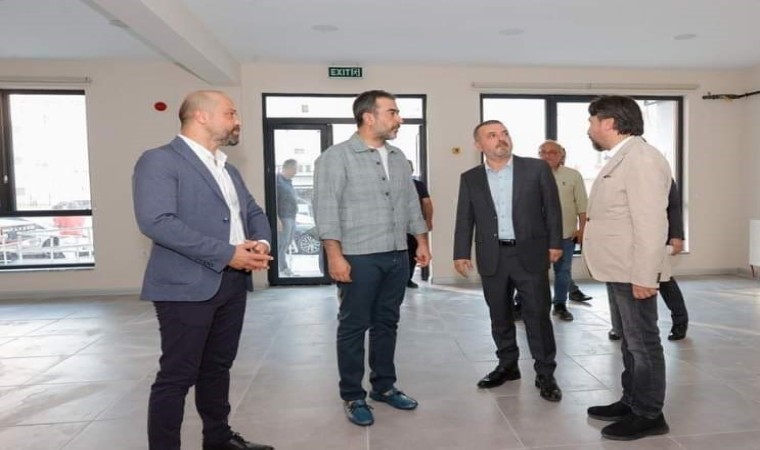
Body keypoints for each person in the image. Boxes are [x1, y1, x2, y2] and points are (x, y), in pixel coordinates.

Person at [132, 90, 275, 450]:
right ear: (201, 116)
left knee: (218, 367)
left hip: (232, 283)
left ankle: (218, 438)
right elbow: (157, 222)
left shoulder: (227, 168)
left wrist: (261, 242)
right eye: (230, 113)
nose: (237, 121)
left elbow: (252, 212)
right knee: (177, 376)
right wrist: (227, 254)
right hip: (185, 285)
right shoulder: (159, 160)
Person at [313, 90, 431, 427]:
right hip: (358, 256)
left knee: (387, 322)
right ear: (369, 117)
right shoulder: (336, 157)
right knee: (354, 326)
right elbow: (326, 210)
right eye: (392, 112)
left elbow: (411, 203)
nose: (399, 119)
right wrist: (335, 256)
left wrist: (421, 240)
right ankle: (353, 395)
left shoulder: (397, 156)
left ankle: (384, 386)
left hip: (397, 254)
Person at [453, 119, 563, 402]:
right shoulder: (471, 177)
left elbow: (552, 208)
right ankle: (507, 365)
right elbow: (465, 217)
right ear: (479, 145)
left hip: (530, 253)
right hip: (493, 256)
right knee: (499, 315)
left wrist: (554, 243)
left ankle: (545, 373)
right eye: (491, 135)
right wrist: (461, 252)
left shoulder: (536, 169)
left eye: (504, 133)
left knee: (537, 315)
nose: (500, 138)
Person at [583, 95, 672, 441]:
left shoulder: (642, 159)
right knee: (630, 342)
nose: (589, 128)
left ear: (609, 122)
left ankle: (649, 414)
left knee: (643, 343)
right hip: (619, 267)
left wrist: (645, 276)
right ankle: (632, 400)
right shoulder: (625, 156)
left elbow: (651, 223)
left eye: (592, 121)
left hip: (634, 270)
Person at [608, 180, 689, 341]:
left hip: (655, 236)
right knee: (617, 281)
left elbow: (673, 206)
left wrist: (676, 235)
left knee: (663, 280)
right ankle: (618, 327)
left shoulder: (659, 173)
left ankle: (680, 321)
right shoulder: (621, 174)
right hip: (624, 237)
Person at [537, 139, 588, 321]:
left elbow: (582, 206)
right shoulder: (530, 175)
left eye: (553, 152)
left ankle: (560, 304)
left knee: (563, 272)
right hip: (536, 236)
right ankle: (524, 303)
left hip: (566, 235)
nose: (548, 156)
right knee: (533, 272)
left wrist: (582, 229)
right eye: (543, 152)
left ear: (561, 155)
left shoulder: (573, 175)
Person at [406, 160, 433, 288]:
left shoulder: (418, 185)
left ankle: (408, 279)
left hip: (414, 226)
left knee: (412, 253)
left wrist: (428, 221)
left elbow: (427, 203)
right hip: (395, 227)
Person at [276, 159, 299, 276]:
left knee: (288, 242)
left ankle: (283, 267)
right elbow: (274, 201)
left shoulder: (288, 182)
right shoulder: (277, 181)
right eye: (295, 169)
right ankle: (283, 268)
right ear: (287, 168)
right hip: (283, 217)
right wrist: (277, 219)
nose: (296, 172)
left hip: (291, 217)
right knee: (282, 243)